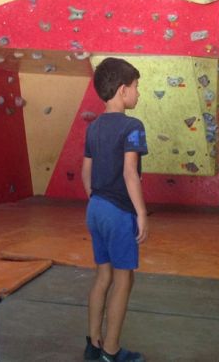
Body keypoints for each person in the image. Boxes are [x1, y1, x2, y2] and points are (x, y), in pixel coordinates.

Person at [81, 57, 149, 362]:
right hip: (118, 213)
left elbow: (86, 172)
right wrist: (142, 213)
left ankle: (93, 343)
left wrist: (96, 200)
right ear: (123, 90)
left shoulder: (94, 127)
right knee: (124, 280)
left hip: (95, 208)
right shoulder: (133, 126)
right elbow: (130, 173)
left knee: (103, 276)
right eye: (136, 87)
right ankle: (110, 351)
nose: (138, 93)